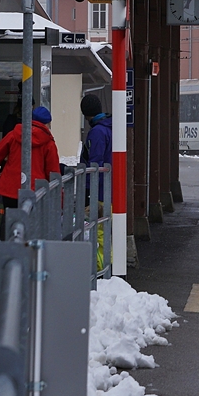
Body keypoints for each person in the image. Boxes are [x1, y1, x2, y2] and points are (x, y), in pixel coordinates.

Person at [0, 106, 61, 209]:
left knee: (12, 222)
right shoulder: (48, 143)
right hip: (36, 190)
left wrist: (7, 159)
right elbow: (53, 173)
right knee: (32, 223)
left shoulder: (13, 135)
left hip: (10, 188)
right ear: (47, 124)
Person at [80, 94, 112, 270]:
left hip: (101, 191)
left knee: (100, 232)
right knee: (106, 230)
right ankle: (107, 266)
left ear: (85, 114)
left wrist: (88, 191)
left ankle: (101, 270)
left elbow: (95, 164)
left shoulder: (97, 132)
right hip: (111, 189)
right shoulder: (111, 127)